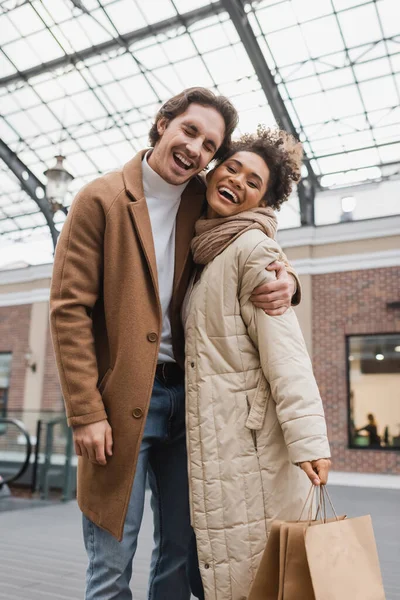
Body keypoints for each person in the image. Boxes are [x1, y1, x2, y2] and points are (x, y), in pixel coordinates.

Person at [49, 89, 302, 600]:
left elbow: (257, 237)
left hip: (192, 406)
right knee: (112, 561)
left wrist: (290, 282)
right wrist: (85, 412)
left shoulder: (203, 199)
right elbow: (69, 309)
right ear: (162, 123)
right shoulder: (99, 199)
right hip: (118, 407)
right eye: (189, 131)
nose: (196, 149)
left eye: (210, 145)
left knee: (182, 555)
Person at [183, 126, 331, 600]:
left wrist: (311, 441)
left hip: (249, 445)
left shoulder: (252, 248)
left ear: (262, 202)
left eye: (254, 182)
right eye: (233, 168)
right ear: (213, 169)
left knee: (251, 572)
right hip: (217, 439)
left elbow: (287, 353)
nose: (238, 182)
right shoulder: (205, 250)